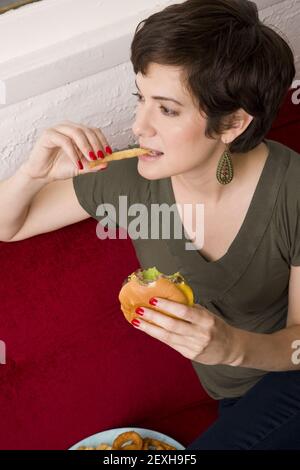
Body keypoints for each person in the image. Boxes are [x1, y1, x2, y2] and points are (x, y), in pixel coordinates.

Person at [0, 0, 299, 449]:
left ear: (233, 122)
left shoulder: (292, 191)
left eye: (168, 110)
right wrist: (31, 174)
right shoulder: (129, 180)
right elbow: (11, 226)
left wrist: (232, 348)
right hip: (237, 402)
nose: (138, 126)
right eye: (140, 99)